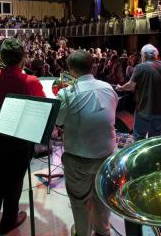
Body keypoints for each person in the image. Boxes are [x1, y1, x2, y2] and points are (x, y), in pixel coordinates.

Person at [0, 38, 46, 234]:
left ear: (1, 57)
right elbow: (42, 104)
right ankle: (9, 221)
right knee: (14, 181)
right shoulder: (30, 81)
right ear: (23, 58)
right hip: (19, 138)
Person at [55, 50, 117, 236]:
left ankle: (82, 233)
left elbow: (58, 121)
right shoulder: (108, 87)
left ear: (71, 70)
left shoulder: (66, 93)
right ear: (93, 66)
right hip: (107, 155)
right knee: (102, 196)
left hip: (78, 159)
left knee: (79, 200)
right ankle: (102, 231)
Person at [116, 44, 161, 141]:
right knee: (155, 137)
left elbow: (131, 85)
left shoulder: (140, 67)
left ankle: (140, 155)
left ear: (144, 55)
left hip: (145, 108)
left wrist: (121, 88)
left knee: (139, 137)